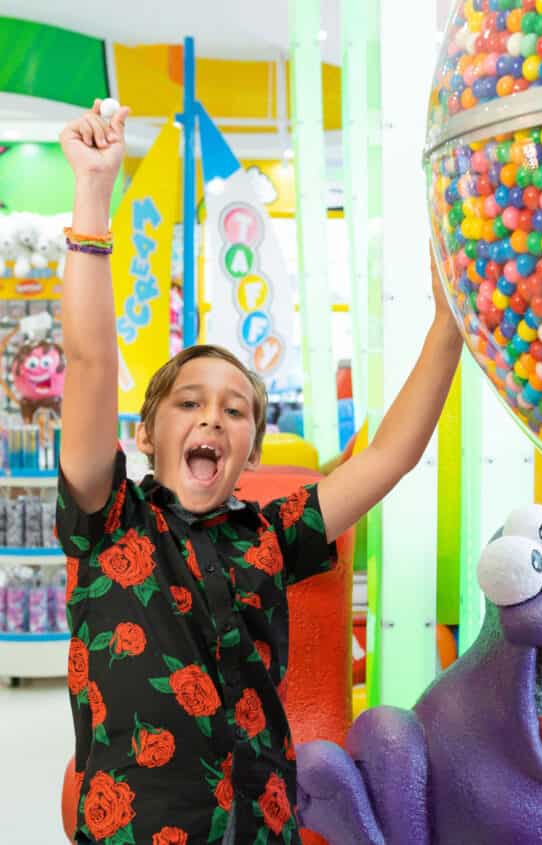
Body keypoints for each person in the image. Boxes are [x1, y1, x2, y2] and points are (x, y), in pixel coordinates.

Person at [56, 102, 462, 844]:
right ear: (145, 433)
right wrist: (93, 192)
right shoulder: (107, 520)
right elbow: (88, 363)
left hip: (262, 827)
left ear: (251, 448)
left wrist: (448, 324)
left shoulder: (273, 535)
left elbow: (389, 457)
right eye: (189, 402)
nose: (212, 418)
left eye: (235, 409)